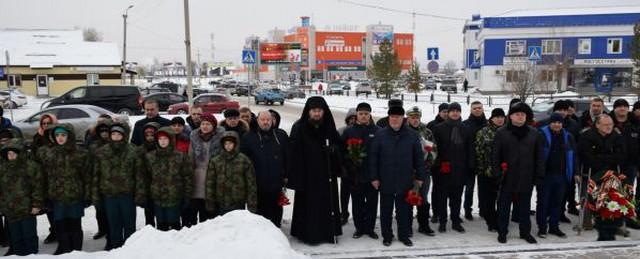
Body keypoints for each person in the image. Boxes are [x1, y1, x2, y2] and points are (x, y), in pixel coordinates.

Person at [288, 96, 343, 245]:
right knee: (308, 207)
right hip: (307, 175)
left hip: (326, 176)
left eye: (319, 111)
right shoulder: (299, 127)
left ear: (324, 112)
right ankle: (307, 234)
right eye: (314, 111)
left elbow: (339, 147)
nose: (317, 114)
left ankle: (327, 233)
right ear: (308, 112)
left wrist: (333, 150)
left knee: (326, 205)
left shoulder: (329, 127)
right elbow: (293, 152)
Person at [370, 104, 426, 247]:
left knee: (404, 210)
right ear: (389, 118)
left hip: (405, 179)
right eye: (392, 117)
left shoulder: (412, 136)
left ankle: (403, 235)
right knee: (386, 210)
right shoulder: (380, 135)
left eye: (398, 117)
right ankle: (387, 236)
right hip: (385, 179)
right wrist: (374, 177)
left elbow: (418, 158)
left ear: (403, 119)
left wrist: (420, 177)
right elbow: (373, 158)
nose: (394, 119)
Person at [493, 102, 545, 244]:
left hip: (526, 176)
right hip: (507, 176)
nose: (521, 117)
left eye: (523, 114)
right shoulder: (502, 132)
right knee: (504, 207)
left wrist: (539, 175)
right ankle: (502, 232)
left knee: (524, 207)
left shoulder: (534, 133)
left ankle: (525, 232)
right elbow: (495, 155)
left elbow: (539, 156)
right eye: (517, 114)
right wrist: (497, 173)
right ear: (511, 116)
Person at [37, 124, 89, 254]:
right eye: (57, 135)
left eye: (63, 135)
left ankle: (76, 252)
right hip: (57, 197)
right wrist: (46, 196)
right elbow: (44, 176)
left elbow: (87, 176)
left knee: (75, 225)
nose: (60, 138)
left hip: (75, 196)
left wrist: (88, 195)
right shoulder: (49, 154)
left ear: (69, 136)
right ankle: (65, 251)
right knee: (61, 225)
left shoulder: (80, 154)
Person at [92, 122, 143, 249]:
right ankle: (115, 248)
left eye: (118, 134)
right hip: (109, 195)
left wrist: (140, 194)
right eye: (113, 134)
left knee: (129, 224)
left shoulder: (133, 151)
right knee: (114, 224)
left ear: (124, 135)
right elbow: (96, 175)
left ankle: (130, 249)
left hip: (127, 194)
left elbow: (139, 175)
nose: (115, 136)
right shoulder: (101, 152)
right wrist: (95, 195)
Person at [578, 114, 627, 240]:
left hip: (611, 171)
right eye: (605, 125)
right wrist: (607, 158)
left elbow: (621, 155)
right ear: (597, 125)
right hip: (593, 171)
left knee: (615, 196)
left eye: (610, 124)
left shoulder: (617, 136)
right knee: (590, 195)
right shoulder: (587, 136)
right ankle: (587, 221)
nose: (609, 127)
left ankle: (615, 224)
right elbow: (587, 156)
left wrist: (604, 158)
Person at [240, 111, 289, 227]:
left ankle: (276, 231)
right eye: (263, 120)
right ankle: (260, 234)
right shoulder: (248, 137)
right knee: (259, 211)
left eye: (268, 120)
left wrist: (286, 174)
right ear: (257, 120)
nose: (266, 122)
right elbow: (243, 159)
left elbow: (288, 156)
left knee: (276, 209)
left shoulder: (281, 136)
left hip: (276, 181)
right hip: (257, 182)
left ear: (273, 121)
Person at [341, 103, 380, 239]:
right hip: (355, 176)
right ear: (356, 115)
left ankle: (369, 228)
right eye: (361, 114)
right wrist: (350, 161)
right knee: (357, 204)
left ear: (370, 115)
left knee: (372, 204)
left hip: (372, 176)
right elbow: (342, 151)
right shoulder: (349, 131)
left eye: (366, 114)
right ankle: (359, 228)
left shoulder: (378, 131)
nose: (364, 116)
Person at [144, 127, 193, 231]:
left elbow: (187, 177)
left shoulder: (180, 156)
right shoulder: (150, 157)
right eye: (160, 139)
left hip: (174, 197)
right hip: (157, 197)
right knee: (161, 224)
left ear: (171, 140)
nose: (162, 142)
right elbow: (146, 178)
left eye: (165, 139)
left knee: (174, 224)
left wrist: (187, 196)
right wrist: (147, 196)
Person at [432, 102, 471, 233]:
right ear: (448, 113)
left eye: (457, 111)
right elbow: (434, 149)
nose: (455, 113)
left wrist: (469, 167)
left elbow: (469, 150)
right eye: (452, 111)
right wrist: (439, 165)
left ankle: (455, 221)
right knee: (442, 198)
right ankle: (442, 221)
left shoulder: (466, 128)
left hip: (460, 169)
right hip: (443, 170)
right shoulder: (439, 128)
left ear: (460, 113)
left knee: (457, 198)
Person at [0, 139, 43, 256]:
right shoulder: (3, 169)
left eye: (14, 153)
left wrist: (37, 205)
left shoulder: (30, 167)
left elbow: (38, 187)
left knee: (29, 235)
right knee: (16, 237)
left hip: (27, 209)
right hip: (11, 210)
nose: (11, 156)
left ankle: (32, 255)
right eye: (8, 154)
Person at [536, 113, 576, 239]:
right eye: (554, 122)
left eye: (559, 122)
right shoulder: (541, 135)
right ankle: (542, 228)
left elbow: (573, 155)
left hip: (561, 175)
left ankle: (554, 226)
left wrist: (573, 172)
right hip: (546, 175)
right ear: (550, 123)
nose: (557, 125)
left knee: (557, 203)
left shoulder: (568, 136)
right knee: (543, 203)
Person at [185, 113, 224, 227]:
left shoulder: (220, 139)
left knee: (208, 211)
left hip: (212, 176)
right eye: (203, 124)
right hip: (197, 177)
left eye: (208, 124)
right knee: (194, 206)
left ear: (213, 126)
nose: (205, 126)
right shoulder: (194, 138)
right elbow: (190, 157)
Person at [206, 131, 257, 216]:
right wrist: (210, 203)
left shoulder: (244, 160)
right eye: (225, 143)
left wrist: (252, 204)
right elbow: (210, 183)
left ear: (235, 144)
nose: (228, 146)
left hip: (238, 203)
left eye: (230, 143)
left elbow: (251, 183)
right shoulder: (215, 161)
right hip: (220, 203)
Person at [405, 106, 436, 236]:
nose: (415, 120)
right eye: (412, 117)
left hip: (423, 172)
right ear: (408, 118)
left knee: (422, 198)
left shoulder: (427, 132)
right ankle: (407, 227)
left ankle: (424, 225)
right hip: (407, 172)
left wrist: (426, 166)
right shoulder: (403, 131)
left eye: (417, 117)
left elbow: (433, 150)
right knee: (408, 199)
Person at [608, 99, 639, 232]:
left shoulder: (634, 123)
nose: (622, 109)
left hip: (630, 164)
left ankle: (627, 218)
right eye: (619, 106)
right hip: (612, 164)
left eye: (624, 107)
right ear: (614, 109)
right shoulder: (608, 123)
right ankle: (611, 219)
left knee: (627, 193)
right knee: (611, 192)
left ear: (628, 109)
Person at [475, 108, 506, 232]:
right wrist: (481, 169)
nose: (500, 119)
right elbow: (478, 152)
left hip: (504, 172)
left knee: (503, 199)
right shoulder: (483, 132)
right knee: (489, 199)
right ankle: (491, 222)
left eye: (502, 117)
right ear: (492, 118)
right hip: (487, 172)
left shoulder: (507, 131)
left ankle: (501, 219)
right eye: (497, 117)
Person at [28, 113, 57, 246]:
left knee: (57, 206)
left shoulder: (58, 135)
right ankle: (54, 231)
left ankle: (59, 230)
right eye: (43, 123)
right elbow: (33, 155)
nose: (45, 126)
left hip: (56, 175)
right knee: (48, 206)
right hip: (42, 176)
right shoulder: (37, 137)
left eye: (48, 123)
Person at [85, 116, 113, 249]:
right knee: (100, 210)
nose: (104, 133)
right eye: (101, 130)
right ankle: (103, 230)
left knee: (110, 213)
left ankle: (111, 236)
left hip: (112, 183)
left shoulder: (115, 141)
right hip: (97, 181)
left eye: (106, 130)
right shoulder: (93, 144)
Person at [462, 101, 487, 220]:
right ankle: (467, 209)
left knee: (484, 189)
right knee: (469, 188)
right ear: (471, 110)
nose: (477, 110)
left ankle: (483, 209)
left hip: (484, 163)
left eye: (479, 108)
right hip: (469, 162)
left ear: (482, 109)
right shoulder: (465, 124)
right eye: (475, 108)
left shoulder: (487, 124)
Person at [137, 122, 161, 227]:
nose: (150, 138)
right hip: (146, 185)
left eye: (152, 135)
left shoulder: (162, 148)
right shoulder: (140, 150)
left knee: (160, 213)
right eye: (147, 136)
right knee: (149, 213)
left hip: (160, 184)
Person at [338, 108, 357, 225]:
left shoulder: (360, 131)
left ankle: (357, 215)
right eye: (351, 119)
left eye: (355, 118)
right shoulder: (341, 131)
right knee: (344, 194)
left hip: (357, 169)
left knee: (356, 195)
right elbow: (338, 150)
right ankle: (344, 214)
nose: (353, 121)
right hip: (345, 168)